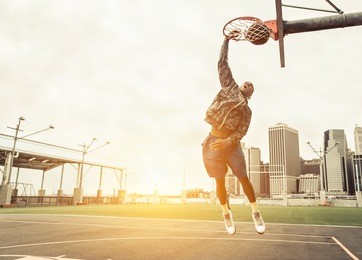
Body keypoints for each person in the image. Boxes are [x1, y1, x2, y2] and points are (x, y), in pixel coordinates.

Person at [202, 31, 266, 235]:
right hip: (213, 141)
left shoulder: (247, 111)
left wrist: (228, 142)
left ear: (251, 94)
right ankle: (226, 215)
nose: (247, 84)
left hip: (230, 146)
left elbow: (241, 132)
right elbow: (222, 62)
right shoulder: (229, 86)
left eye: (250, 86)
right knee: (219, 181)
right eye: (245, 83)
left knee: (243, 178)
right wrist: (226, 40)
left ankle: (255, 212)